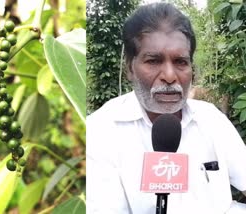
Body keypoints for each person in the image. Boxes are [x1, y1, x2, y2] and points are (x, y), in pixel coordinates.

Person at [86, 3, 246, 214]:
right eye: (153, 61)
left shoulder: (212, 120)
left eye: (180, 62)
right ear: (129, 69)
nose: (170, 76)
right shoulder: (100, 131)